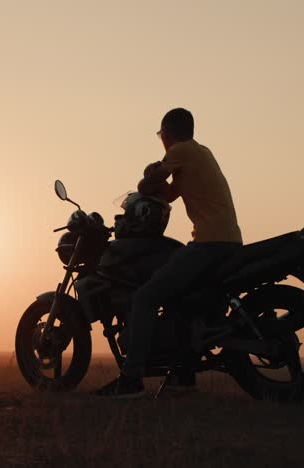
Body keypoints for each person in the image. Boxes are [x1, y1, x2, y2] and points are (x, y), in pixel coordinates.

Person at [97, 108, 243, 397]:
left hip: (208, 243)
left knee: (145, 297)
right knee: (183, 302)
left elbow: (147, 186)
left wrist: (148, 174)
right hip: (229, 242)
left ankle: (132, 380)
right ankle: (183, 377)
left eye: (160, 135)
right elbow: (167, 194)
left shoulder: (180, 150)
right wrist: (158, 180)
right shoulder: (201, 153)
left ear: (166, 133)